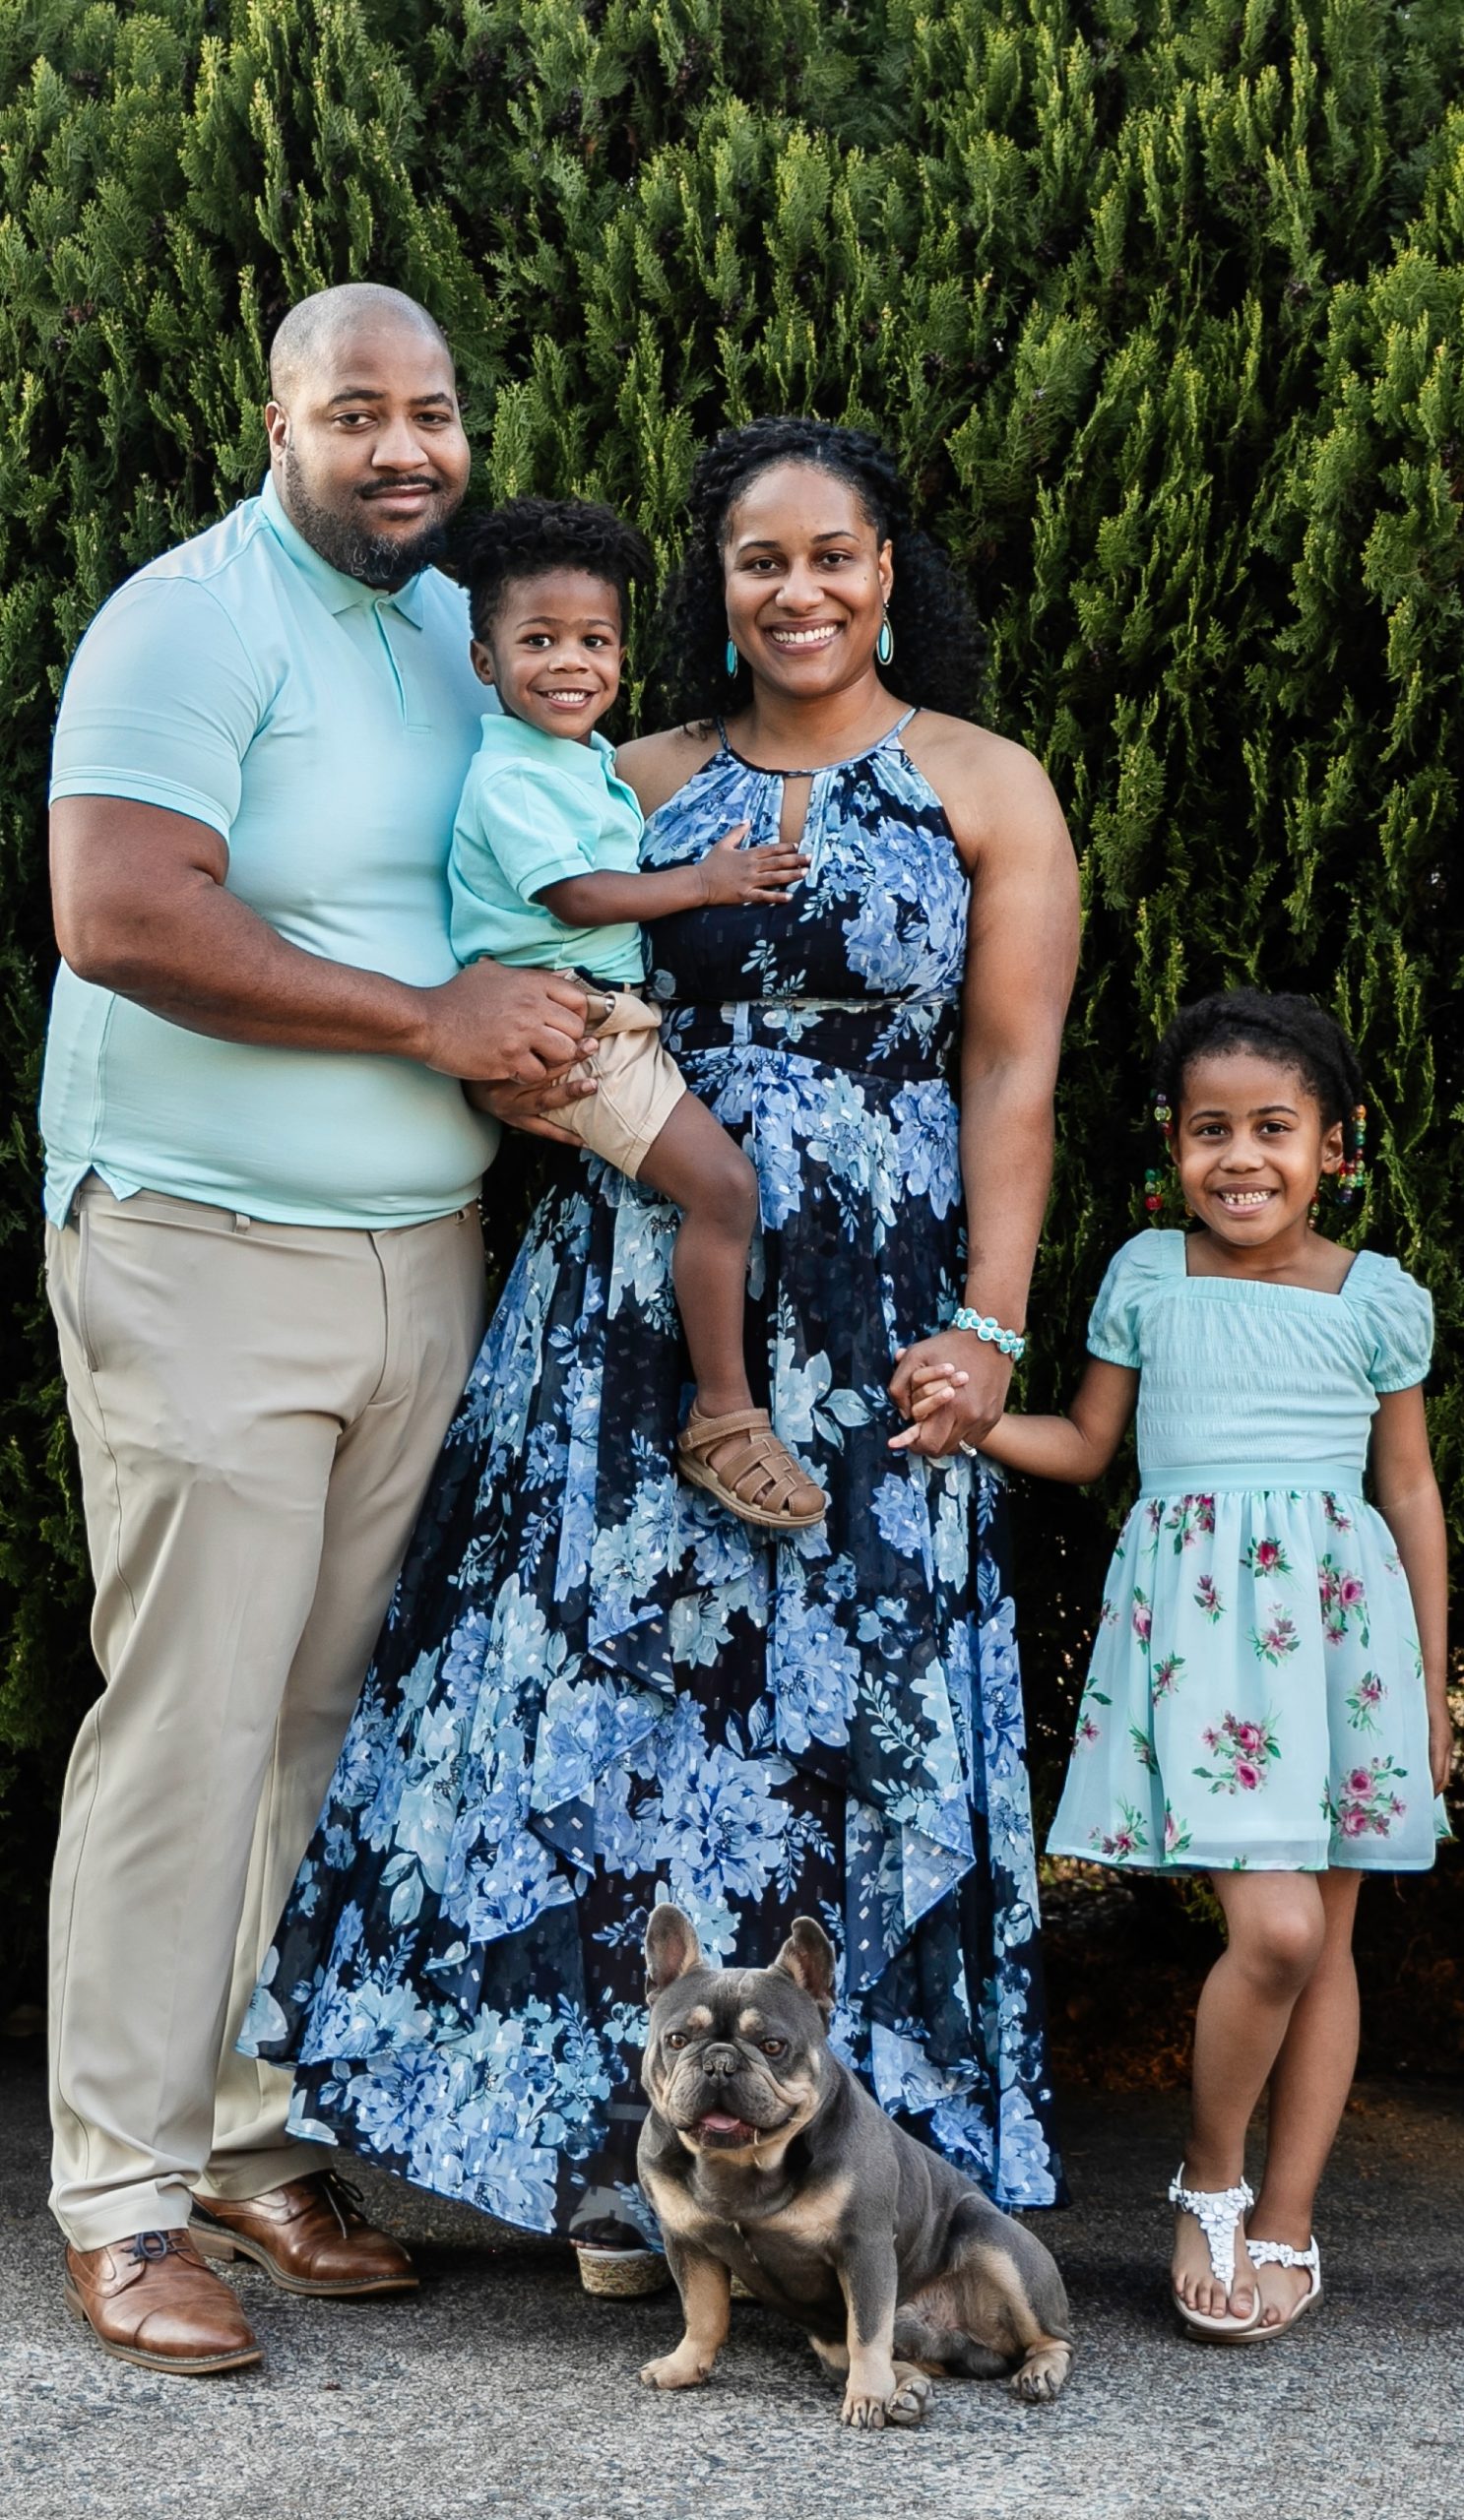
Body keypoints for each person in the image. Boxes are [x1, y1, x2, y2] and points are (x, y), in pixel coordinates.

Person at [245, 415, 1080, 2285]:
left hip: (876, 1312)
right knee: (608, 1713)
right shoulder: (619, 773)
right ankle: (613, 2173)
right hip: (634, 1304)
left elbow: (1011, 1066)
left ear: (889, 572)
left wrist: (992, 1322)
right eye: (759, 561)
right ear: (713, 591)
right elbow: (505, 961)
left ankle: (862, 2188)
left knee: (839, 1720)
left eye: (834, 556)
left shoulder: (982, 785)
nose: (799, 591)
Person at [40, 283, 592, 2374]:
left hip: (412, 1253)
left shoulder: (453, 637)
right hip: (197, 1244)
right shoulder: (189, 621)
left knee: (311, 1718)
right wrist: (427, 1021)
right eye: (355, 410)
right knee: (186, 1711)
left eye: (431, 411)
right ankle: (117, 2186)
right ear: (274, 420)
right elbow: (120, 910)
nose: (402, 449)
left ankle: (250, 2142)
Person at [935, 988, 1449, 2344]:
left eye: (1272, 1129)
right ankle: (1205, 2179)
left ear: (1330, 1145)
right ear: (1171, 1145)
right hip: (1206, 1636)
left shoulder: (1375, 1298)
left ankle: (1283, 2213)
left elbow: (1406, 1494)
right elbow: (1088, 1447)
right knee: (1274, 1930)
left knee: (1323, 1941)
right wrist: (972, 1423)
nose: (1239, 1157)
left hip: (1342, 1642)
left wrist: (1432, 1689)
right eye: (1207, 1129)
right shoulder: (1145, 1277)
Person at [449, 496, 824, 1528]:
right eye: (537, 641)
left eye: (594, 641)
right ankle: (723, 1416)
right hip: (578, 1035)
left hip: (611, 1026)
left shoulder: (578, 764)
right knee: (721, 1192)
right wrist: (707, 883)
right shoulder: (508, 778)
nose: (570, 663)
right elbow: (576, 897)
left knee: (717, 1192)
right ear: (483, 662)